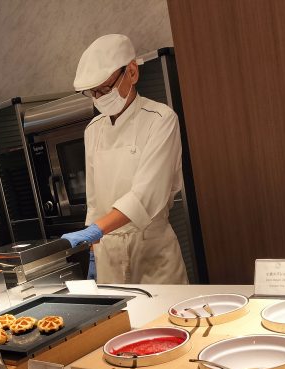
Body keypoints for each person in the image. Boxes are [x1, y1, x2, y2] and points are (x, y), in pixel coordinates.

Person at [61, 34, 189, 285]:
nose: (99, 97)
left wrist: (95, 230)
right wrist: (93, 250)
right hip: (107, 254)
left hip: (151, 251)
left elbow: (146, 194)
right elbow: (94, 202)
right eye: (93, 93)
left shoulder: (161, 119)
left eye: (105, 89)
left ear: (131, 72)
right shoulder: (93, 130)